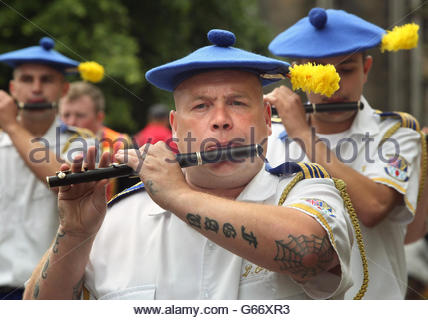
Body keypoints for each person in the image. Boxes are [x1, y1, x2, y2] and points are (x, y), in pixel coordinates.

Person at [24, 29, 359, 300]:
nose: (221, 120)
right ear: (174, 125)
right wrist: (75, 233)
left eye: (237, 103)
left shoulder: (307, 192)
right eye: (201, 106)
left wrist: (176, 194)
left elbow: (309, 254)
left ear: (268, 120)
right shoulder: (117, 216)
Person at [265, 8, 423, 299]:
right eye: (318, 73)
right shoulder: (269, 134)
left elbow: (374, 207)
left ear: (366, 69)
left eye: (346, 70)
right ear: (298, 77)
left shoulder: (397, 132)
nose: (334, 86)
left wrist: (303, 135)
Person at [0, 37, 96, 299]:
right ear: (12, 88)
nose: (36, 88)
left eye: (47, 80)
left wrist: (11, 126)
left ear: (63, 90)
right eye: (27, 79)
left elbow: (63, 180)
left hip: (50, 290)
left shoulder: (81, 141)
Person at [59, 81, 133, 200]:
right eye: (66, 115)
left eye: (80, 115)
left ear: (99, 118)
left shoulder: (121, 144)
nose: (71, 122)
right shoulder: (50, 143)